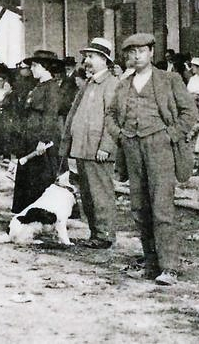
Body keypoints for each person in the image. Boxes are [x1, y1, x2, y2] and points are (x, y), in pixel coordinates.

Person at [106, 33, 197, 286]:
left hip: (160, 148)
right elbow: (110, 115)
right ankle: (150, 263)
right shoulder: (123, 85)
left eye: (142, 51)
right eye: (131, 52)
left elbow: (190, 112)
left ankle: (169, 267)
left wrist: (170, 135)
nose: (136, 56)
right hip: (132, 148)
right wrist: (121, 136)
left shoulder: (169, 79)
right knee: (139, 208)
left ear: (151, 53)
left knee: (162, 208)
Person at [61, 38, 119, 249]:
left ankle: (105, 235)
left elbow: (114, 118)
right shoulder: (89, 83)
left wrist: (106, 146)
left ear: (104, 59)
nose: (87, 60)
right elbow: (74, 114)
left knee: (101, 192)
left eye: (91, 57)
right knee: (88, 193)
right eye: (86, 57)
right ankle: (95, 232)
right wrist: (68, 144)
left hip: (98, 149)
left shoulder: (112, 84)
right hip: (83, 148)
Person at [11, 49, 64, 214]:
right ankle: (27, 215)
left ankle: (41, 216)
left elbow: (50, 115)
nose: (31, 69)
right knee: (29, 178)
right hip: (30, 138)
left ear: (45, 67)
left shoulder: (52, 88)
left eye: (35, 65)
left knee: (40, 179)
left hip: (42, 142)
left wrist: (44, 140)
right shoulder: (37, 87)